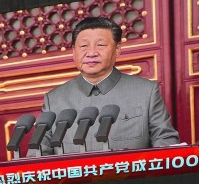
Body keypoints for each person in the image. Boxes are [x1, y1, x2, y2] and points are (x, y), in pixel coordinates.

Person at [39, 16, 181, 155]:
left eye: (100, 45)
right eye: (83, 46)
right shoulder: (54, 99)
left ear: (117, 49)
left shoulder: (146, 92)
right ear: (74, 52)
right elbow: (38, 153)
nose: (91, 53)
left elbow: (166, 142)